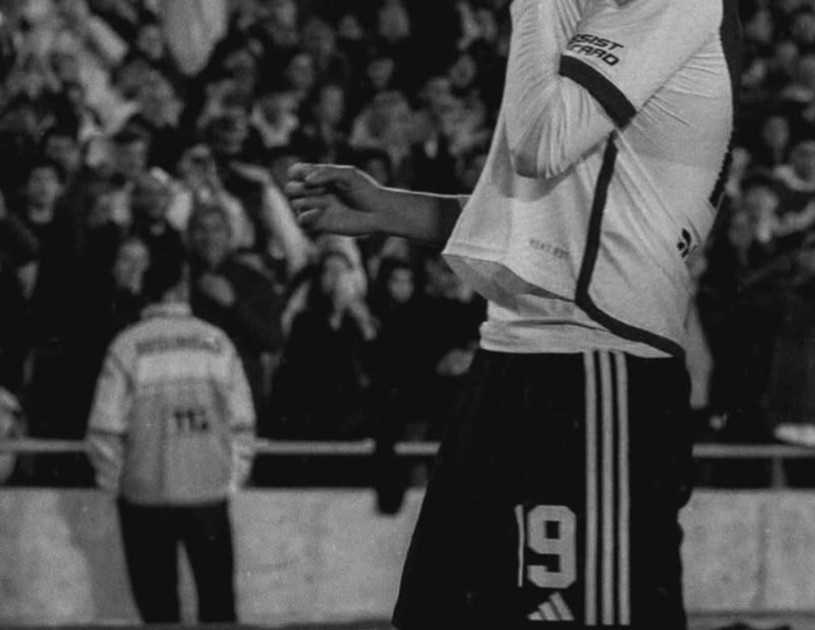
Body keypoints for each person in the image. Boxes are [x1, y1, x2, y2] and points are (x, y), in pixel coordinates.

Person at [287, 0, 742, 627]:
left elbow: (539, 144)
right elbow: (541, 222)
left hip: (598, 361)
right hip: (517, 353)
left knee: (590, 613)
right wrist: (388, 209)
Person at [84, 254, 256, 624]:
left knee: (158, 612)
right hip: (208, 493)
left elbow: (104, 431)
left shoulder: (127, 346)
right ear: (183, 286)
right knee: (219, 607)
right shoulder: (217, 342)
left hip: (145, 496)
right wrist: (230, 479)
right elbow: (243, 423)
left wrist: (117, 484)